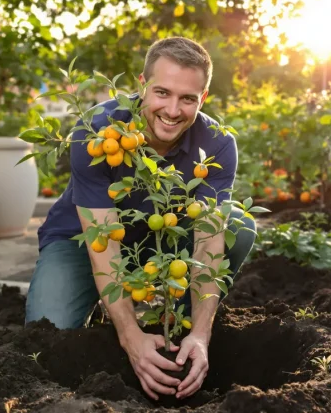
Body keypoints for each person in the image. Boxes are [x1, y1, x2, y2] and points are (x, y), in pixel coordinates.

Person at [25, 37, 256, 400]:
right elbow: (103, 243)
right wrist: (130, 337)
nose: (173, 110)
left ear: (203, 98)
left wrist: (201, 334)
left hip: (158, 244)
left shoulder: (216, 144)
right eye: (162, 92)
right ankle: (114, 317)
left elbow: (208, 246)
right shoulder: (98, 132)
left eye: (188, 98)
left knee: (238, 229)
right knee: (49, 340)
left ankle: (175, 336)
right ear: (142, 85)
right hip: (81, 243)